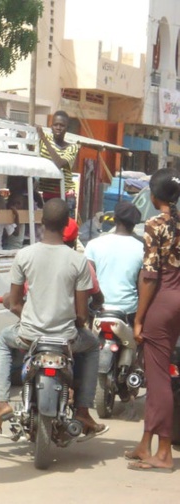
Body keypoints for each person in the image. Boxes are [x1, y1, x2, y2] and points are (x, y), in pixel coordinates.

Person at [0, 214, 104, 449]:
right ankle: (83, 410)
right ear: (66, 227)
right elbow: (83, 315)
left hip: (29, 335)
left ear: (42, 223)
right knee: (93, 344)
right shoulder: (79, 261)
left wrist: (33, 320)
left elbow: (14, 303)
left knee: (3, 342)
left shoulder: (24, 255)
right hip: (66, 338)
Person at [126, 168, 180, 473]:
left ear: (153, 195)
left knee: (158, 378)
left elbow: (149, 275)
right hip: (178, 300)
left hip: (161, 299)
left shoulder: (154, 224)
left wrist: (139, 317)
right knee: (156, 369)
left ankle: (163, 453)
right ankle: (145, 444)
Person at [85, 201, 143, 321]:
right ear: (135, 223)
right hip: (128, 310)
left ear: (114, 219)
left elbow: (87, 278)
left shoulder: (94, 244)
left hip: (99, 309)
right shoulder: (142, 248)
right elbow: (142, 285)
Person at [36, 111, 80, 218]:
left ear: (67, 128)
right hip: (47, 193)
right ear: (51, 126)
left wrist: (44, 139)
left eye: (62, 125)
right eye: (55, 124)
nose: (58, 128)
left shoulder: (72, 147)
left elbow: (60, 163)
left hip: (65, 194)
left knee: (66, 229)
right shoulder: (42, 139)